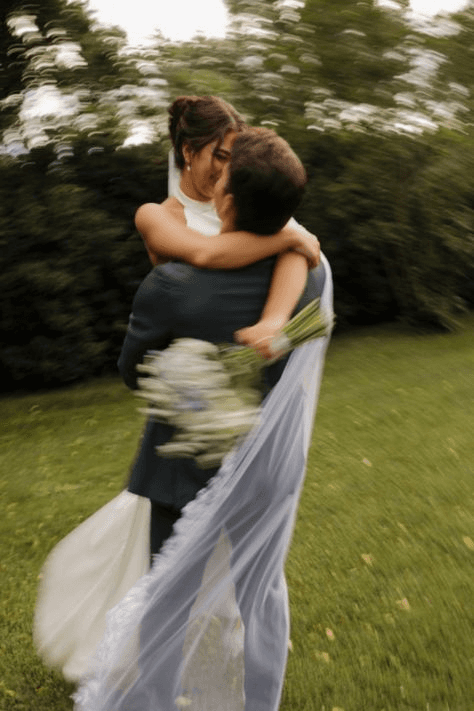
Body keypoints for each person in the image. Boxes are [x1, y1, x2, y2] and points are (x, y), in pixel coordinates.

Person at [73, 125, 333, 711]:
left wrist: (186, 383)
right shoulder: (313, 270)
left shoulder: (173, 285)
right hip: (266, 471)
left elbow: (132, 369)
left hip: (179, 471)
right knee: (262, 593)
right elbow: (307, 339)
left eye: (222, 176)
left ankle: (156, 703)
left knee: (168, 596)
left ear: (228, 202)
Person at [123, 97, 324, 560]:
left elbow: (298, 257)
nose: (226, 167)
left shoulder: (246, 200)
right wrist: (290, 235)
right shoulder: (157, 216)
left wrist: (273, 320)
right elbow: (206, 256)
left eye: (233, 157)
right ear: (188, 151)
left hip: (259, 408)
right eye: (219, 154)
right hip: (195, 402)